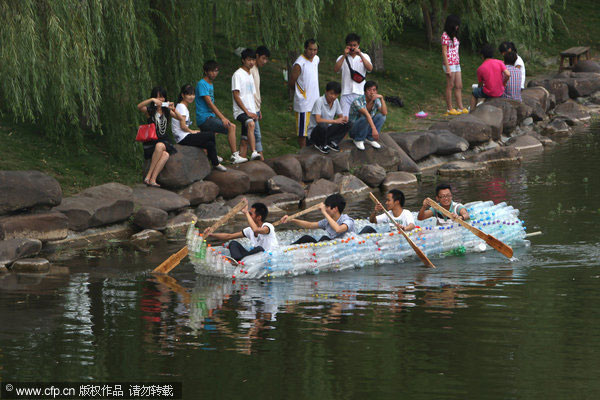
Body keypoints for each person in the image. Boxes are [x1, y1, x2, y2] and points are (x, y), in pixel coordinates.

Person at [196, 60, 246, 164]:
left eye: (216, 71)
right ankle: (234, 155)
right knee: (231, 127)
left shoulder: (210, 84)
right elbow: (209, 103)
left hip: (209, 117)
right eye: (212, 71)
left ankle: (211, 154)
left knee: (212, 135)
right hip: (205, 118)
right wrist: (222, 118)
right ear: (206, 72)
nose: (215, 73)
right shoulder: (202, 84)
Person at [172, 84, 226, 171]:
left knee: (209, 144)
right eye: (189, 94)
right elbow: (182, 126)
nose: (191, 97)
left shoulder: (182, 106)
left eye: (193, 94)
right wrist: (191, 131)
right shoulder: (181, 107)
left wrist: (191, 131)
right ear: (183, 95)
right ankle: (214, 158)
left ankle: (215, 163)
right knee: (210, 135)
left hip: (183, 136)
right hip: (183, 137)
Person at [204, 201, 278, 262]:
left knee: (259, 249)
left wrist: (246, 212)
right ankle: (238, 260)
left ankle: (242, 260)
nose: (248, 215)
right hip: (251, 257)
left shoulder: (268, 226)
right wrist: (211, 234)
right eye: (248, 213)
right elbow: (229, 236)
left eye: (250, 214)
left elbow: (256, 230)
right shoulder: (249, 230)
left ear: (259, 217)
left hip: (265, 257)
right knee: (233, 243)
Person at [137, 86, 179, 187]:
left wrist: (173, 109)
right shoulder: (150, 111)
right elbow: (139, 106)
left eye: (162, 97)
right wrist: (151, 100)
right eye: (158, 97)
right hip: (151, 142)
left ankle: (151, 178)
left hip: (163, 140)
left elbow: (180, 118)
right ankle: (150, 177)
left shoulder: (166, 111)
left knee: (163, 150)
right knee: (164, 153)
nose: (160, 100)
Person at [280, 193, 355, 244]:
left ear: (335, 209)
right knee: (306, 238)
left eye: (327, 207)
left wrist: (324, 212)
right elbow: (309, 225)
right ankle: (285, 250)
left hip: (344, 246)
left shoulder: (347, 220)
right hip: (331, 248)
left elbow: (338, 229)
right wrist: (292, 220)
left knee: (324, 238)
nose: (325, 209)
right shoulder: (327, 221)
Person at [239, 45, 270, 161]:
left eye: (266, 59)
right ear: (256, 56)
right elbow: (247, 92)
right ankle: (260, 158)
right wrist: (251, 109)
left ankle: (241, 157)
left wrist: (258, 108)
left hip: (254, 107)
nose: (265, 61)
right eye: (263, 58)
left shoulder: (255, 70)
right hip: (249, 108)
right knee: (256, 134)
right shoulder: (250, 70)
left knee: (246, 135)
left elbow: (255, 91)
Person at [334, 33, 373, 117]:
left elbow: (370, 68)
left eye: (354, 45)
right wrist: (344, 55)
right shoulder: (342, 58)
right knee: (344, 120)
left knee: (360, 118)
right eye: (350, 45)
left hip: (360, 92)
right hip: (346, 93)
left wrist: (361, 55)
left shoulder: (364, 56)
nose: (352, 48)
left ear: (358, 45)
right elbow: (336, 70)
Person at [289, 39, 320, 148]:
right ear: (305, 49)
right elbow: (292, 82)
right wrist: (300, 94)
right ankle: (302, 151)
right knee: (303, 131)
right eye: (310, 49)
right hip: (303, 102)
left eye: (315, 50)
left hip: (315, 100)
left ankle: (313, 147)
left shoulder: (316, 59)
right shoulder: (299, 63)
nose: (313, 52)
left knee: (315, 126)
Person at [232, 48, 261, 161]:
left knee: (245, 139)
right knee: (251, 125)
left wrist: (256, 110)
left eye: (253, 60)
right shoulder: (238, 75)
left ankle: (240, 160)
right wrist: (247, 112)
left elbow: (251, 95)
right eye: (249, 60)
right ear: (243, 60)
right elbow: (236, 95)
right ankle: (254, 152)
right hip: (241, 111)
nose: (252, 62)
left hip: (251, 111)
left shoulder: (250, 75)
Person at [307, 81, 351, 153]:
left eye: (336, 94)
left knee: (348, 123)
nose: (333, 96)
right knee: (322, 125)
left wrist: (344, 119)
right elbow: (318, 120)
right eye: (331, 93)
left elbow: (341, 116)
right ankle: (320, 144)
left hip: (327, 130)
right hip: (315, 133)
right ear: (326, 92)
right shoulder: (319, 101)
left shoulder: (336, 101)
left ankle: (332, 141)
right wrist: (335, 121)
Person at [348, 80, 387, 150]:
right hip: (354, 129)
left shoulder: (376, 100)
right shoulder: (358, 101)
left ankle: (370, 138)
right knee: (366, 117)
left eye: (374, 90)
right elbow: (367, 115)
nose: (372, 92)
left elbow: (384, 112)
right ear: (365, 91)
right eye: (369, 90)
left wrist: (381, 99)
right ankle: (358, 139)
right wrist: (374, 129)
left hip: (366, 127)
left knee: (382, 117)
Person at [470, 44, 510, 111]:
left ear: (482, 56)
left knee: (474, 93)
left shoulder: (480, 68)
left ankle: (472, 111)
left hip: (489, 93)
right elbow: (508, 74)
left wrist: (479, 87)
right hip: (500, 92)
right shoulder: (500, 62)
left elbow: (480, 84)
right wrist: (504, 83)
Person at [441, 15, 467, 115]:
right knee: (450, 85)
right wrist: (447, 67)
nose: (457, 27)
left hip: (456, 63)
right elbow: (444, 52)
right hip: (449, 63)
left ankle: (460, 107)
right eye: (456, 25)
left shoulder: (455, 35)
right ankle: (449, 108)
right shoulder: (445, 35)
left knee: (459, 85)